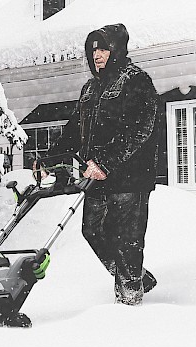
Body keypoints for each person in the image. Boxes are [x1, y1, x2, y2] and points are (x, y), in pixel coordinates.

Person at [39, 23, 159, 305]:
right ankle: (138, 278)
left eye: (103, 48)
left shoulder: (136, 81)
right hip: (96, 177)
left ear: (117, 50)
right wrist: (49, 159)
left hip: (129, 177)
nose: (97, 55)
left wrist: (106, 161)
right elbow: (73, 130)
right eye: (93, 50)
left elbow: (139, 129)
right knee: (92, 230)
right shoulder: (90, 89)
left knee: (126, 240)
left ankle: (130, 299)